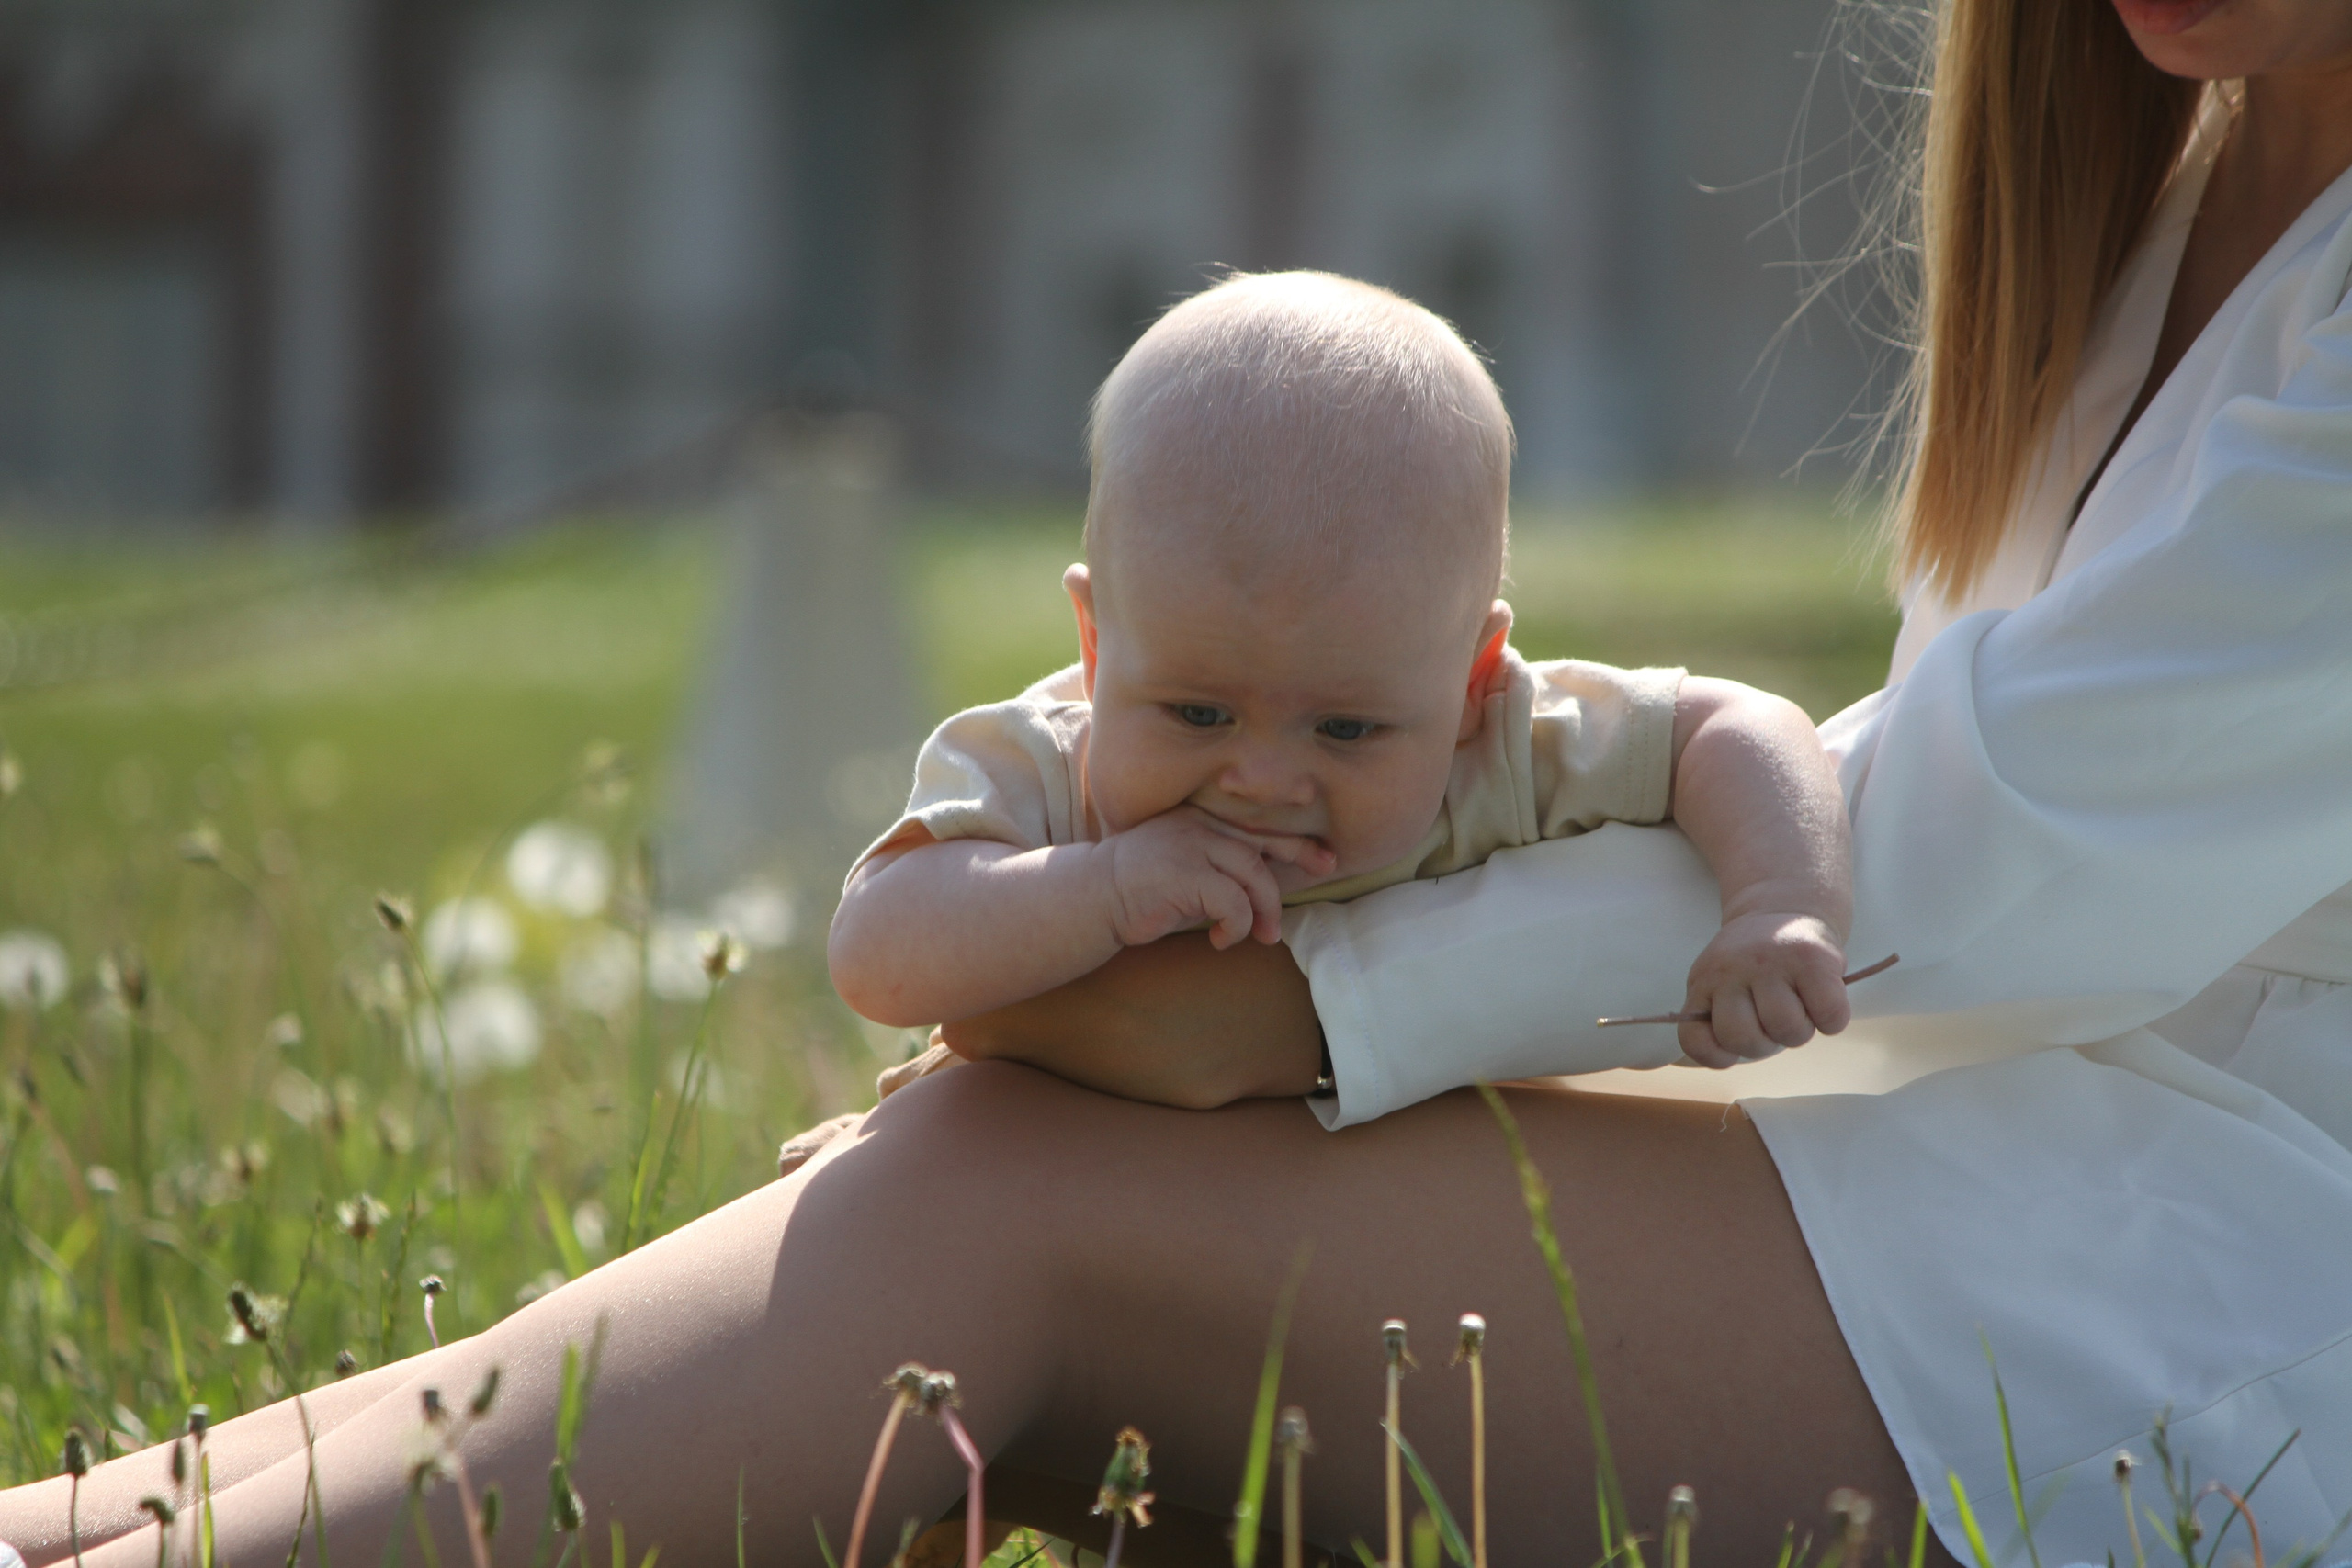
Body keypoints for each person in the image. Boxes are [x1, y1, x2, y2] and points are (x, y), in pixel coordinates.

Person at [8, 0, 2352, 1562]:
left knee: (997, 1212)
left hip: (2227, 1300)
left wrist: (1290, 1005)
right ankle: (113, 1510)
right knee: (969, 1180)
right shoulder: (2165, 188)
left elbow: (1989, 853)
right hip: (2001, 1166)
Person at [830, 270, 1856, 1069]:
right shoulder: (1047, 771)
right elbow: (874, 952)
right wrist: (1098, 889)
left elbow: (1739, 726)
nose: (1264, 779)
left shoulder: (1501, 745)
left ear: (1468, 683)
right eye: (1196, 712)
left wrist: (1779, 906)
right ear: (1096, 648)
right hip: (1041, 1164)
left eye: (1345, 730)